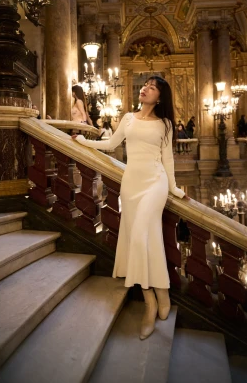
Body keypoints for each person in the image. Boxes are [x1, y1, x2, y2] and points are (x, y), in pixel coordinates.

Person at [72, 75, 190, 340]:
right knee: (144, 241)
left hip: (155, 183)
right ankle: (157, 296)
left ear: (160, 97)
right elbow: (111, 145)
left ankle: (152, 304)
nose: (145, 89)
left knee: (140, 237)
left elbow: (167, 160)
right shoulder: (127, 118)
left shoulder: (166, 124)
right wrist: (83, 141)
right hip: (132, 184)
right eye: (145, 85)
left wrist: (174, 188)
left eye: (152, 87)